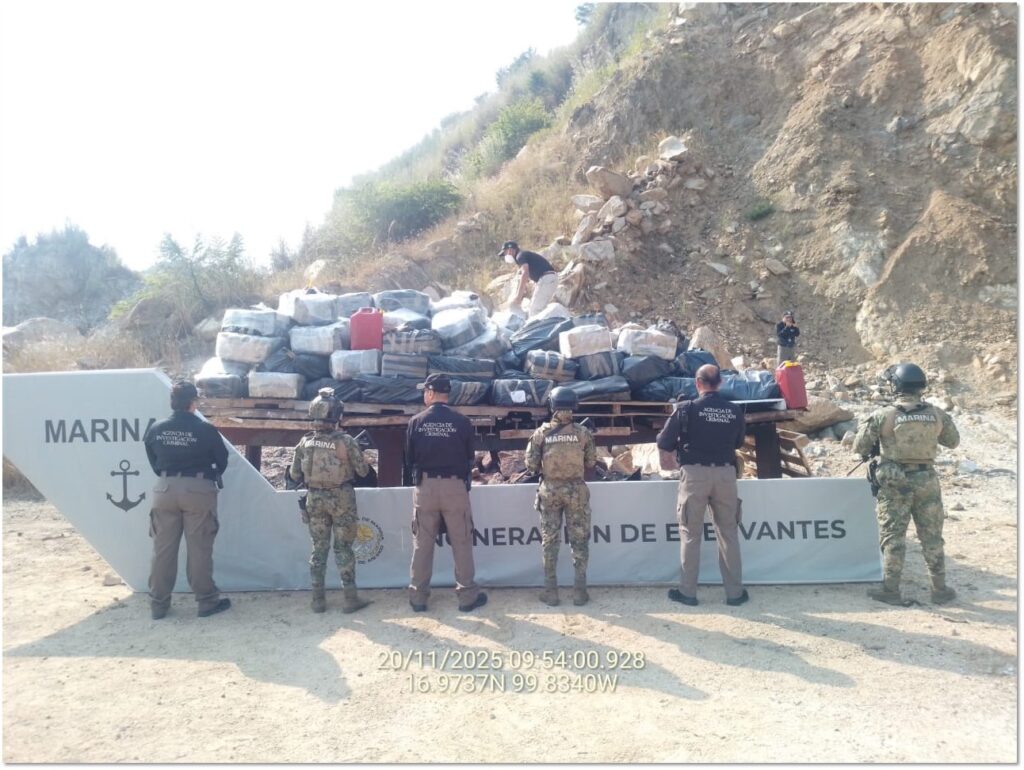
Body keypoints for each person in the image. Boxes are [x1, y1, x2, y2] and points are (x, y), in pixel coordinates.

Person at [853, 363, 960, 605]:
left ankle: (891, 589)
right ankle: (940, 589)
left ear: (896, 386)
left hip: (895, 480)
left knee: (893, 536)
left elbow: (859, 446)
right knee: (932, 536)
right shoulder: (936, 414)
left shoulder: (884, 415)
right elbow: (953, 441)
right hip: (926, 479)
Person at [656, 365, 748, 607]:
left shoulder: (686, 409)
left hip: (694, 476)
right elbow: (739, 442)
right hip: (726, 475)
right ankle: (735, 594)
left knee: (690, 534)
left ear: (697, 383)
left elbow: (664, 441)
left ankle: (688, 592)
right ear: (720, 383)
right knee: (728, 534)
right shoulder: (734, 410)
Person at [143, 380, 230, 620]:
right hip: (198, 490)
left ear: (173, 402)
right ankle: (206, 601)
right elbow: (221, 460)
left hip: (164, 489)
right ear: (193, 402)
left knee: (162, 550)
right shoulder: (205, 429)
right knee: (199, 548)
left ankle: (158, 605)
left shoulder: (156, 429)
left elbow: (153, 462)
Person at [406, 374, 487, 613]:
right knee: (461, 542)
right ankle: (467, 597)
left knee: (422, 543)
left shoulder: (416, 422)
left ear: (431, 393)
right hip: (455, 488)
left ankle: (418, 598)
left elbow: (409, 459)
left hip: (425, 488)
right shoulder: (462, 422)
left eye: (425, 391)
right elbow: (470, 457)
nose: (424, 395)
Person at [288, 388, 371, 614]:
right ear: (337, 416)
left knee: (319, 548)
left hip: (314, 499)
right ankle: (350, 599)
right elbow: (363, 472)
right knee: (343, 548)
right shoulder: (346, 441)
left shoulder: (305, 442)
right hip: (341, 499)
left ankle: (318, 600)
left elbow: (294, 474)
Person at [525, 387, 597, 607]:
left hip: (550, 492)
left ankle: (551, 592)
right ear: (574, 405)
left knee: (550, 541)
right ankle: (580, 593)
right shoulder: (583, 433)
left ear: (552, 405)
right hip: (577, 492)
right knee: (580, 541)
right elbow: (591, 462)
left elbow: (530, 466)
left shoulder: (541, 433)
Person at [498, 240, 559, 319]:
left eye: (505, 253)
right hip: (548, 279)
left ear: (510, 250)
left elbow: (525, 274)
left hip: (547, 279)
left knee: (535, 311)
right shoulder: (523, 255)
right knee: (535, 309)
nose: (505, 256)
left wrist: (518, 297)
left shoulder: (520, 256)